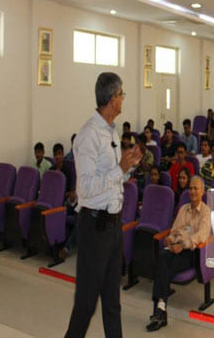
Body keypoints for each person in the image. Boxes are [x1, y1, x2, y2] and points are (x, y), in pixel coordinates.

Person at [65, 72, 142, 338]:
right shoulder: (89, 135)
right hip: (94, 227)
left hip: (113, 225)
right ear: (112, 99)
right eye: (121, 94)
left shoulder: (112, 131)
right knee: (86, 304)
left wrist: (129, 166)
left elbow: (113, 178)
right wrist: (119, 169)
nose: (123, 99)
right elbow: (84, 188)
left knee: (112, 302)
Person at [146, 176, 210, 332]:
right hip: (175, 248)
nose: (192, 191)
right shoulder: (183, 209)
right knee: (163, 257)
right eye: (191, 188)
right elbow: (175, 230)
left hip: (191, 253)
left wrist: (183, 245)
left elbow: (201, 236)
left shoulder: (206, 212)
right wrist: (170, 240)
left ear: (202, 191)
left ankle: (159, 311)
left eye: (196, 188)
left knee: (161, 262)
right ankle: (160, 310)